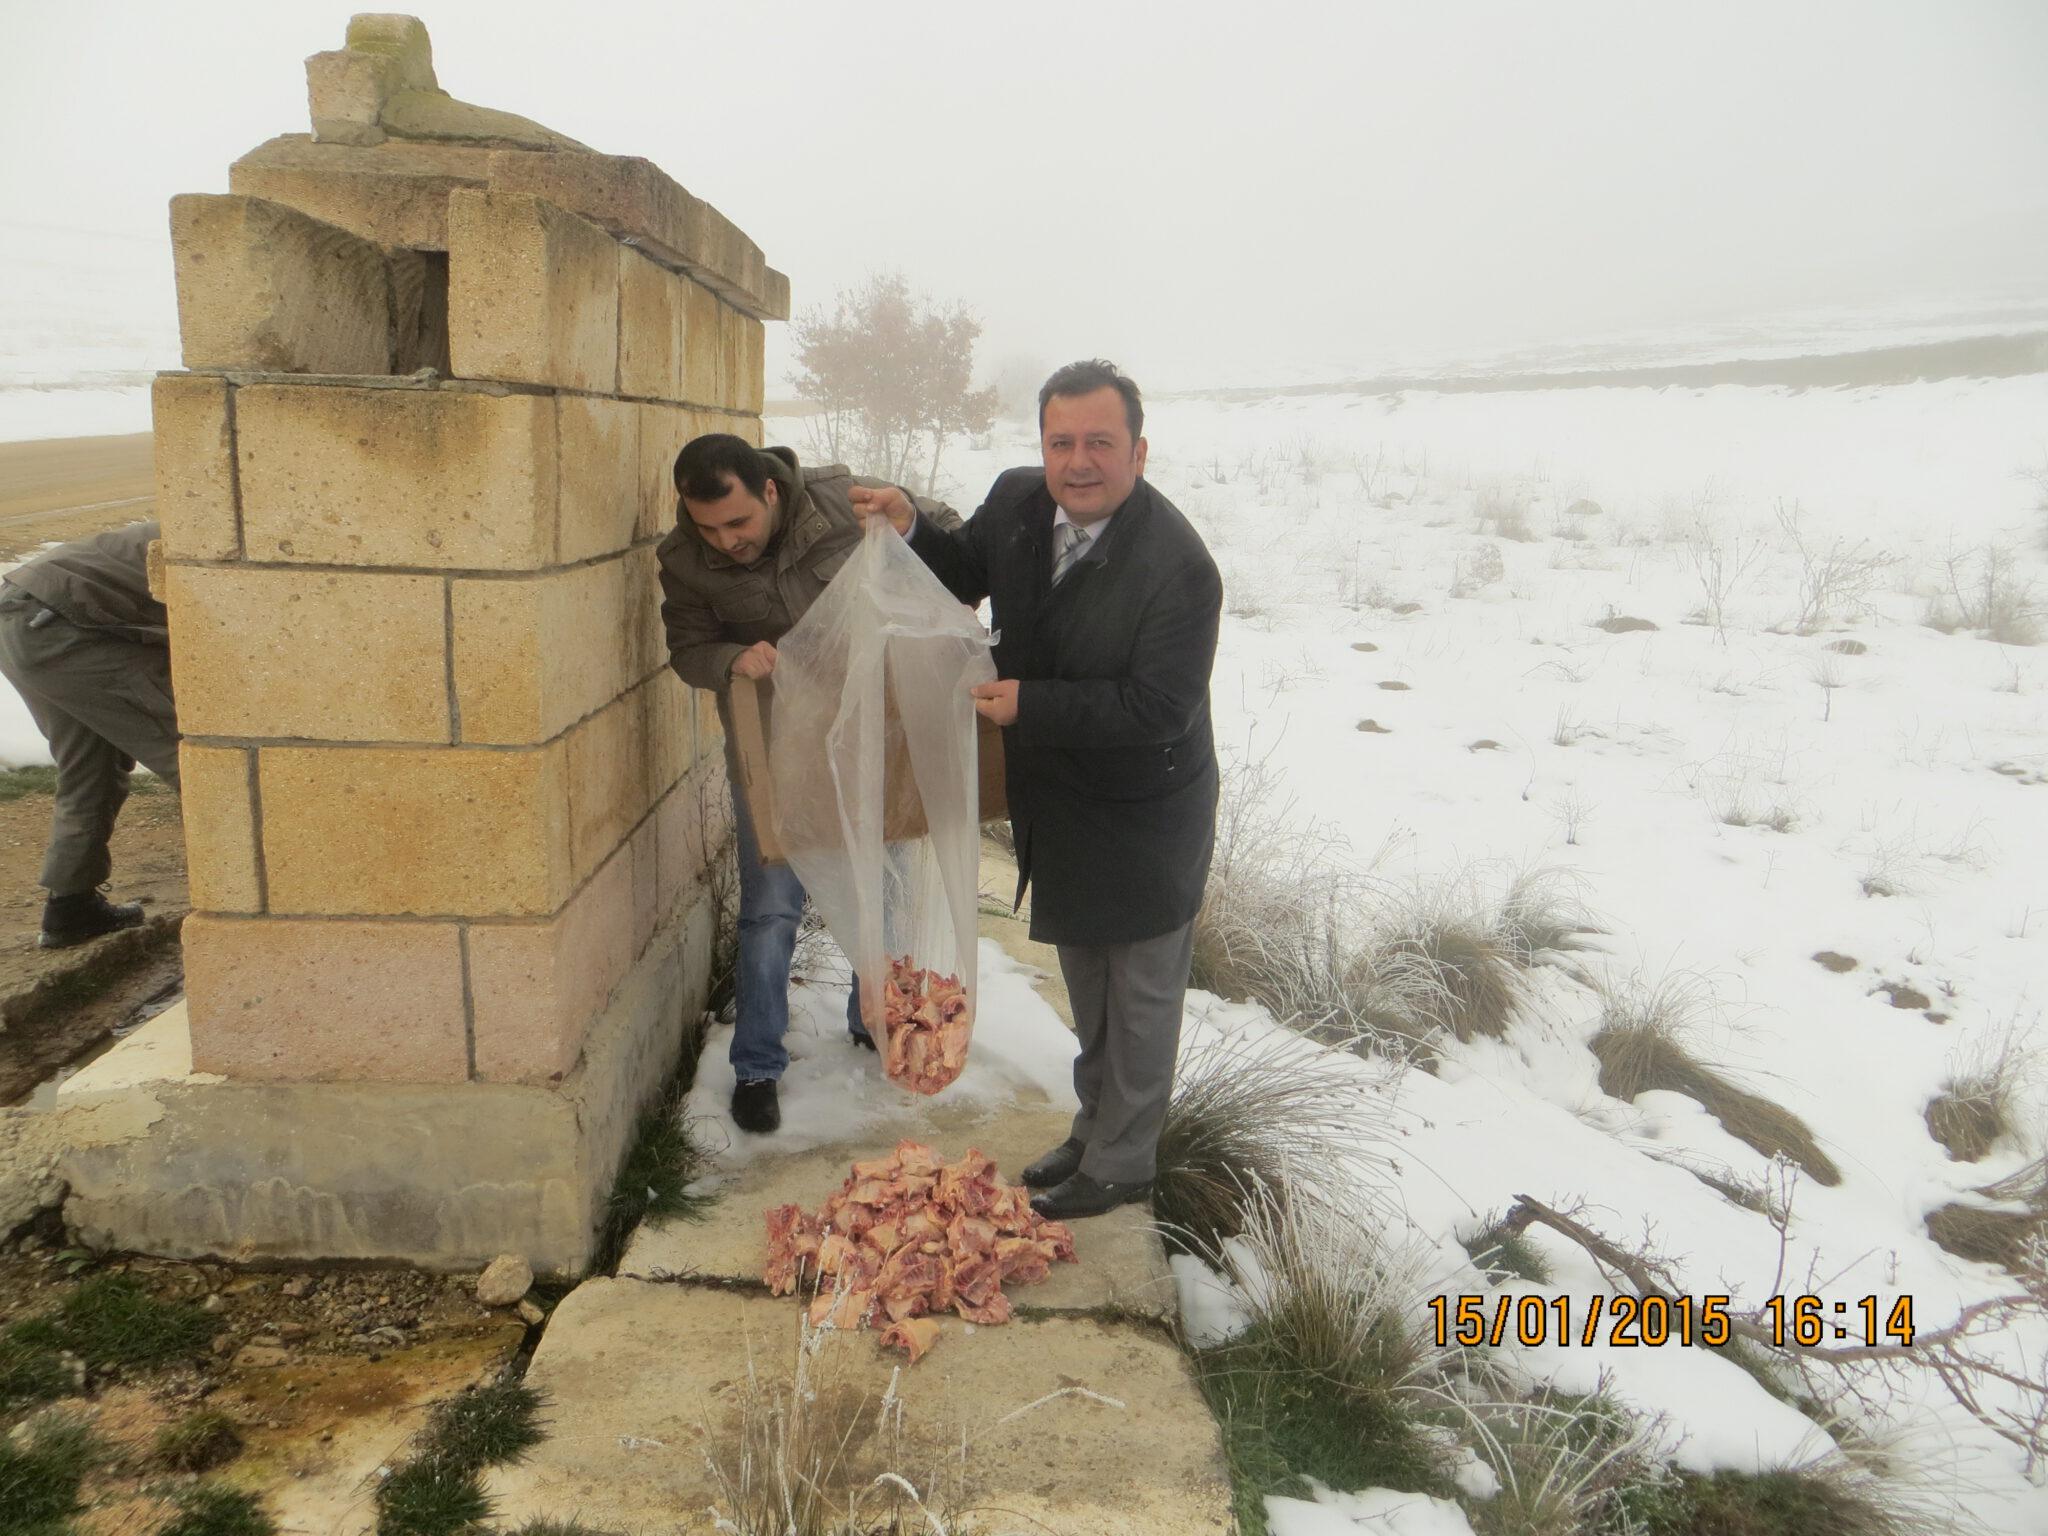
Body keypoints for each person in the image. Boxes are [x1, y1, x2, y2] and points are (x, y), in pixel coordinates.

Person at [852, 360, 1222, 1220]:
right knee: (1088, 983)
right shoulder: (1019, 503)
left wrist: (1030, 703)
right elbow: (962, 568)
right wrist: (911, 528)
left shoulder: (1180, 567)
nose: (1079, 461)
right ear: (1042, 446)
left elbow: (1159, 708)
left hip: (1144, 812)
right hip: (1060, 798)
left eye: (1100, 442)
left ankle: (1125, 1164)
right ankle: (1096, 1132)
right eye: (1063, 441)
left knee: (1139, 998)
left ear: (1139, 450)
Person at [657, 436, 960, 1134]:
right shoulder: (682, 560)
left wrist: (919, 548)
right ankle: (757, 1066)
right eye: (708, 529)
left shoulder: (841, 499)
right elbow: (687, 650)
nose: (726, 542)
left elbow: (946, 539)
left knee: (882, 884)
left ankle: (875, 1022)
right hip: (773, 749)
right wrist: (733, 656)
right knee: (771, 909)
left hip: (870, 731)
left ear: (769, 492)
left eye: (738, 523)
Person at [0, 520, 180, 948]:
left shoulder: (201, 522)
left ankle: (70, 908)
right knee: (199, 753)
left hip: (22, 621)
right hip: (63, 623)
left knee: (91, 768)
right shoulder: (228, 544)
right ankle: (264, 895)